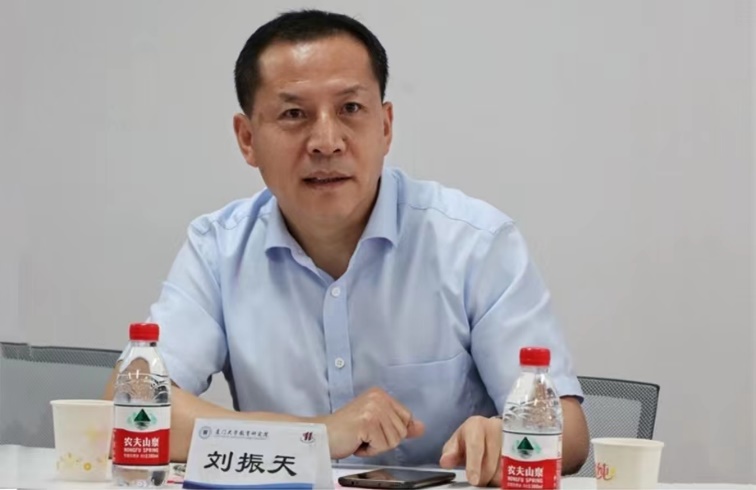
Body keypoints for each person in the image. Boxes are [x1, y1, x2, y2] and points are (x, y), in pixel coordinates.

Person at [104, 9, 589, 487]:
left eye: (350, 109)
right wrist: (319, 435)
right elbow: (126, 406)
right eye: (294, 114)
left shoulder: (475, 243)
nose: (326, 141)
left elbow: (569, 435)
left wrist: (506, 437)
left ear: (386, 126)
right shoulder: (218, 249)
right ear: (247, 139)